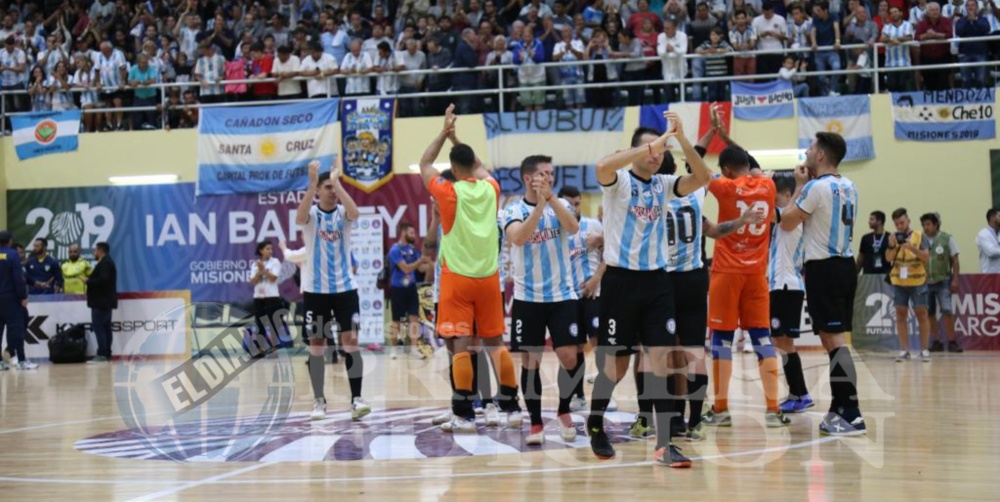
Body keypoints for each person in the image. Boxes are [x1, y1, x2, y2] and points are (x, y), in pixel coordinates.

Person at [588, 111, 712, 468]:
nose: (657, 154)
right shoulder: (619, 181)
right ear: (634, 151)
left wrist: (682, 139)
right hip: (620, 283)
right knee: (616, 367)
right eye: (649, 148)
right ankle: (595, 423)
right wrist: (651, 144)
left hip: (657, 282)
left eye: (660, 149)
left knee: (661, 361)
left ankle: (664, 443)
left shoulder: (665, 185)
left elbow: (703, 177)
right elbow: (601, 165)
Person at [422, 105, 522, 434]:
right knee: (496, 344)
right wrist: (458, 141)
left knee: (461, 347)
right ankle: (511, 407)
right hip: (488, 278)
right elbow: (479, 166)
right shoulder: (491, 188)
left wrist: (443, 133)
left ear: (452, 168)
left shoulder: (448, 192)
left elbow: (424, 164)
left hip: (457, 278)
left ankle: (464, 414)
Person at [779, 132, 866, 436]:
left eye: (811, 147)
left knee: (835, 341)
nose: (807, 150)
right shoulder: (849, 186)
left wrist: (800, 185)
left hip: (825, 268)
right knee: (832, 341)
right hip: (844, 266)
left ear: (820, 156)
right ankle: (839, 408)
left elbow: (787, 221)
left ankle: (851, 412)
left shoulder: (816, 188)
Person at [702, 145, 789, 430]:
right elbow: (753, 168)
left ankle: (721, 408)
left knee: (722, 342)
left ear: (726, 169)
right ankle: (773, 409)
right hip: (756, 274)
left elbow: (699, 170)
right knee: (763, 340)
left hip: (727, 272)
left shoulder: (724, 186)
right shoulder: (768, 184)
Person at [502, 155, 581, 445]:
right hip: (528, 298)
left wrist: (552, 201)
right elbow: (519, 238)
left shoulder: (561, 206)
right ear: (528, 179)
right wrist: (539, 206)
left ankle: (563, 410)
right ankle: (535, 423)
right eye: (543, 174)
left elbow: (573, 228)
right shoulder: (512, 210)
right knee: (530, 361)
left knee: (570, 356)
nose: (549, 179)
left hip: (562, 295)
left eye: (551, 174)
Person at [294, 157, 370, 421]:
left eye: (333, 187)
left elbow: (355, 213)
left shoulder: (343, 215)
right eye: (327, 187)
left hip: (345, 290)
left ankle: (357, 399)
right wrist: (312, 182)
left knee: (351, 342)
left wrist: (339, 182)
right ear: (318, 191)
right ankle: (319, 401)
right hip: (315, 292)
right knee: (317, 345)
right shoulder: (313, 214)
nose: (332, 191)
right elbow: (300, 216)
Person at [770, 181, 813, 414]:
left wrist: (798, 186)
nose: (771, 200)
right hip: (782, 286)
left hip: (786, 286)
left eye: (775, 196)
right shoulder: (786, 220)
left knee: (784, 342)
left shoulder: (791, 219)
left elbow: (769, 212)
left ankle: (799, 394)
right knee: (782, 342)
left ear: (788, 196)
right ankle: (798, 393)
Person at [559, 185, 601, 412]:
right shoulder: (556, 229)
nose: (574, 208)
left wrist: (596, 279)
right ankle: (578, 395)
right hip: (567, 297)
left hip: (594, 295)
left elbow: (611, 254)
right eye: (569, 204)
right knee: (574, 348)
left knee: (599, 344)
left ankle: (605, 395)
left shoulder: (594, 226)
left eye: (577, 203)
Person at [886, 207, 932, 362]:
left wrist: (912, 248)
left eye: (902, 222)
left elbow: (926, 257)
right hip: (899, 281)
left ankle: (924, 349)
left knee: (921, 314)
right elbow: (888, 258)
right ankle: (905, 351)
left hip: (918, 281)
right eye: (896, 223)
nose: (899, 226)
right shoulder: (893, 237)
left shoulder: (920, 236)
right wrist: (892, 245)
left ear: (908, 221)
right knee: (900, 314)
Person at [388, 222, 431, 359]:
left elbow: (420, 269)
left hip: (411, 288)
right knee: (397, 321)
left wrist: (431, 264)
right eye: (411, 233)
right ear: (403, 233)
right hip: (398, 289)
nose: (414, 236)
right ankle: (393, 349)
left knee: (414, 318)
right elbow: (406, 268)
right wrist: (420, 262)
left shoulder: (413, 249)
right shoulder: (395, 250)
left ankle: (413, 349)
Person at [921, 213, 962, 353]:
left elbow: (955, 259)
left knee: (947, 310)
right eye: (924, 225)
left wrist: (955, 278)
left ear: (936, 225)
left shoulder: (946, 238)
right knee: (929, 312)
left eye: (928, 224)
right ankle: (936, 341)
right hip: (925, 281)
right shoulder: (921, 240)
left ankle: (952, 341)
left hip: (943, 280)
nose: (925, 228)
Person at [0, 230, 33, 371]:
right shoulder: (12, 254)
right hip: (11, 299)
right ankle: (21, 360)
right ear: (10, 241)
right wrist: (23, 297)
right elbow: (18, 278)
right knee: (16, 329)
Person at [250, 240, 289, 355]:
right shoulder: (255, 264)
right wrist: (258, 272)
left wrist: (263, 270)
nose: (270, 251)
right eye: (267, 249)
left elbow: (273, 278)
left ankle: (274, 348)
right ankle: (260, 349)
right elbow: (253, 281)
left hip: (272, 296)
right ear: (261, 250)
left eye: (271, 249)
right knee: (259, 323)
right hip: (258, 296)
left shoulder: (275, 262)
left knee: (273, 322)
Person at [86, 242, 117, 364]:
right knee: (105, 327)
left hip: (101, 301)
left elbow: (103, 280)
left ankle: (102, 354)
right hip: (104, 301)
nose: (94, 253)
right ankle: (106, 352)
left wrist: (89, 280)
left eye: (95, 250)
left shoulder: (105, 263)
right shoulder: (107, 262)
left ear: (100, 250)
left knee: (99, 327)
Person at [977, 208, 1000, 273]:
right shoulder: (983, 234)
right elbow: (991, 252)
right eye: (999, 216)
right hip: (989, 275)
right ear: (992, 218)